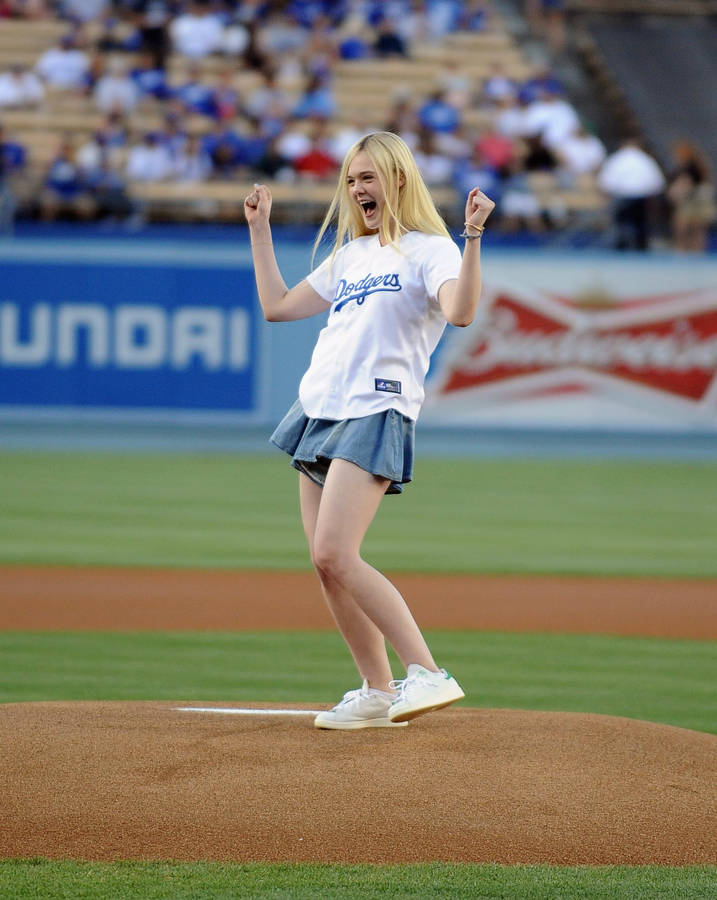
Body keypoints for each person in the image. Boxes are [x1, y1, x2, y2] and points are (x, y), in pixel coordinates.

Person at [244, 131, 494, 730]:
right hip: (319, 409)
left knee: (336, 551)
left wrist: (472, 237)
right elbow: (278, 307)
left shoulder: (430, 249)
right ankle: (377, 689)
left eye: (368, 177)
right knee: (324, 562)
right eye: (352, 179)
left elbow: (461, 312)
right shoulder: (352, 255)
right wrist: (259, 229)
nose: (357, 188)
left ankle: (427, 671)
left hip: (377, 408)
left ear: (398, 180)